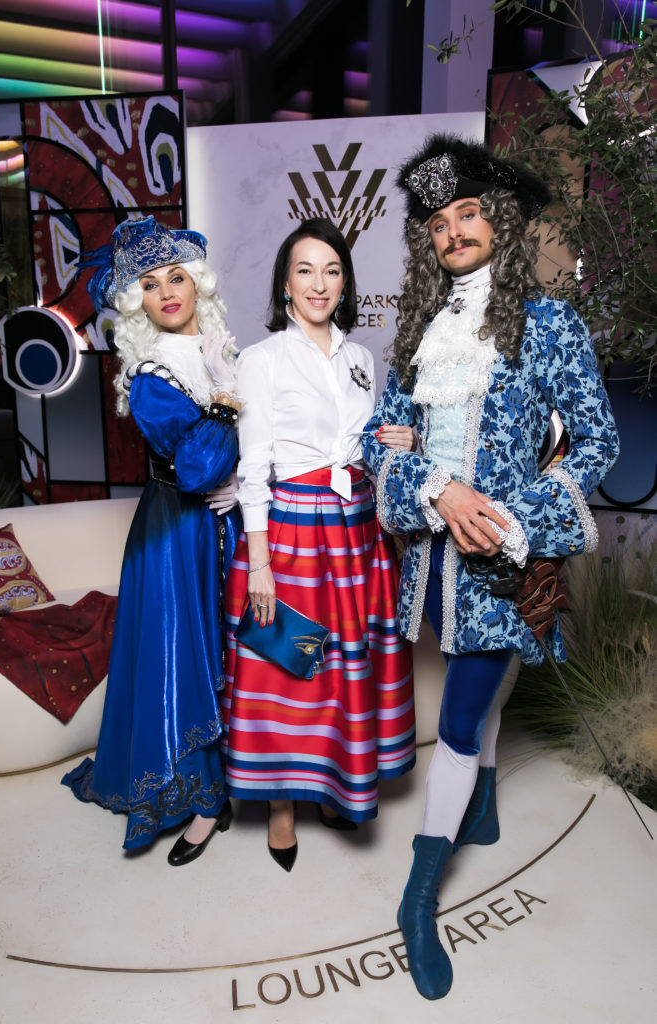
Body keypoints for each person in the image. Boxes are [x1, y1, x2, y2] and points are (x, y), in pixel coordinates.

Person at [361, 135, 619, 999]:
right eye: (437, 224)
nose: (453, 233)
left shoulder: (548, 325)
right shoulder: (416, 335)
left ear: (499, 222)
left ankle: (416, 898)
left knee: (460, 724)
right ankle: (482, 808)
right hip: (428, 572)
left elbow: (597, 442)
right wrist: (435, 487)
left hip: (499, 568)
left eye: (467, 214)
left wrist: (512, 521)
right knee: (481, 694)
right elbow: (376, 446)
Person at [220, 217, 416, 872]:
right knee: (287, 663)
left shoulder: (361, 359)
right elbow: (253, 468)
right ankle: (280, 804)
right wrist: (260, 565)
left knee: (339, 669)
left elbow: (358, 444)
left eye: (331, 270)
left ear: (345, 283)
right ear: (284, 284)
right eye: (305, 270)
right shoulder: (261, 359)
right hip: (292, 532)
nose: (318, 283)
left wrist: (396, 441)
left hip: (357, 531)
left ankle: (333, 785)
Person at [62, 216, 242, 867]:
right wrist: (226, 401)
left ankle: (241, 775)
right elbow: (195, 469)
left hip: (230, 524)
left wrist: (249, 481)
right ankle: (201, 799)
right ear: (136, 299)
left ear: (197, 284)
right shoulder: (148, 375)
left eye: (176, 277)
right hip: (174, 535)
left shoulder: (226, 353)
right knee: (182, 659)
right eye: (149, 283)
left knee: (236, 650)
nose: (166, 291)